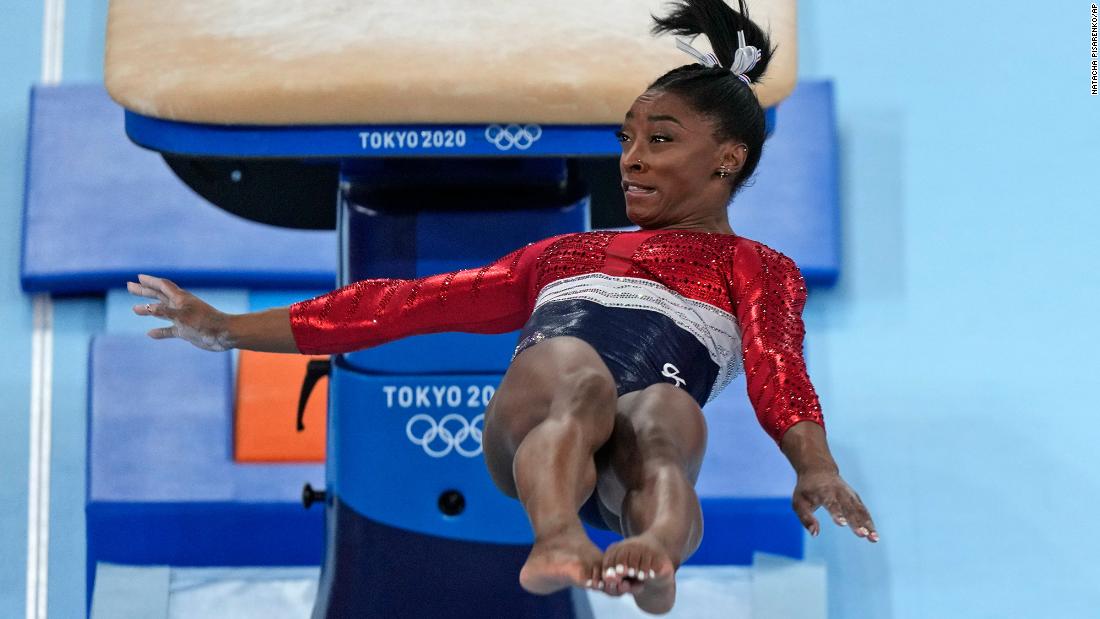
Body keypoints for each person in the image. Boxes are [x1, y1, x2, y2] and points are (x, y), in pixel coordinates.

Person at [128, 0, 877, 614]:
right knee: (580, 374)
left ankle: (655, 556)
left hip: (623, 462)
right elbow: (397, 305)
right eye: (627, 139)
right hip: (531, 430)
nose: (632, 158)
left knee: (667, 418)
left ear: (728, 158)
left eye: (661, 139)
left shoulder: (758, 268)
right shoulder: (562, 256)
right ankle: (555, 537)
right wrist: (228, 330)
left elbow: (782, 370)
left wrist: (814, 466)